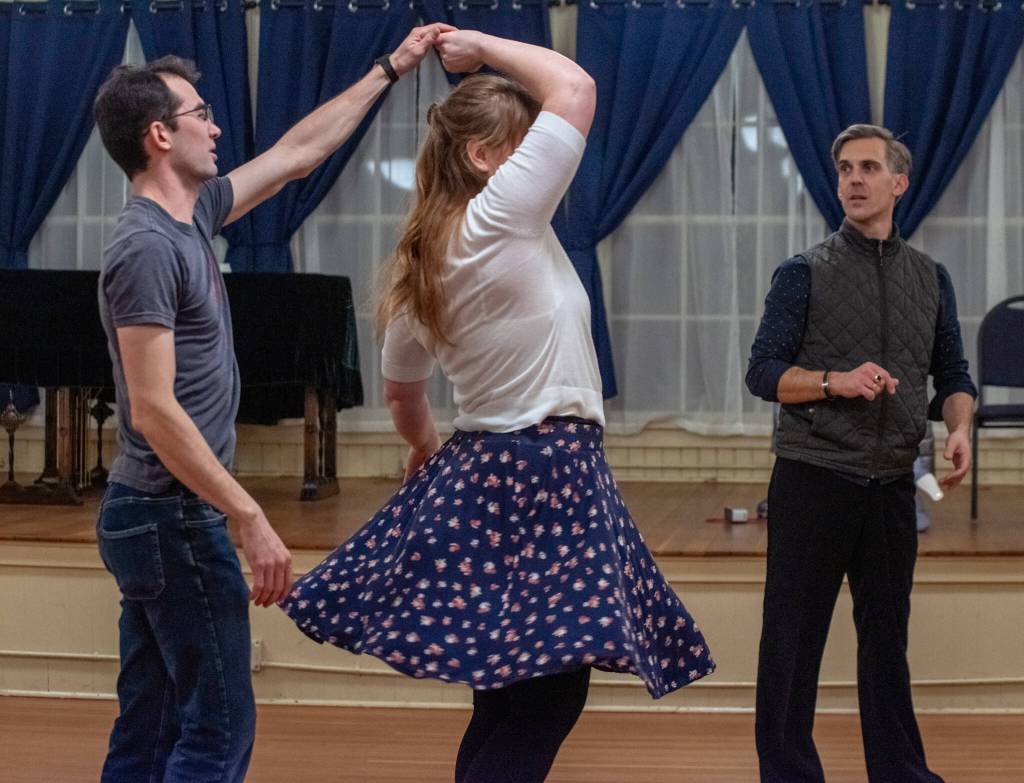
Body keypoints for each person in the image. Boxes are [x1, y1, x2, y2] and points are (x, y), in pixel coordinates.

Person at [280, 31, 715, 783]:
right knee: (547, 697)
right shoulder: (497, 221)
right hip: (547, 470)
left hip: (485, 468)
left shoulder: (429, 257)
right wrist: (478, 45)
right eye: (523, 144)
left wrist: (420, 448)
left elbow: (401, 391)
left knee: (507, 693)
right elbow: (574, 89)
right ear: (485, 157)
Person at [92, 25, 449, 782]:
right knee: (216, 731)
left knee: (153, 721)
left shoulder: (192, 215)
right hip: (169, 518)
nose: (216, 127)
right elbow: (154, 410)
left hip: (158, 516)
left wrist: (390, 66)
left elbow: (296, 157)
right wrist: (246, 513)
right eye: (202, 115)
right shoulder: (147, 247)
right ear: (159, 135)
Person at [745, 124, 977, 783]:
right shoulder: (802, 274)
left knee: (887, 645)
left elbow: (953, 377)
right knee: (791, 645)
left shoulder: (930, 278)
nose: (853, 178)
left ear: (898, 183)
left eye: (869, 166)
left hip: (893, 486)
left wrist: (959, 429)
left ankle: (902, 772)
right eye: (845, 166)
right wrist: (832, 381)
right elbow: (763, 372)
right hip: (813, 480)